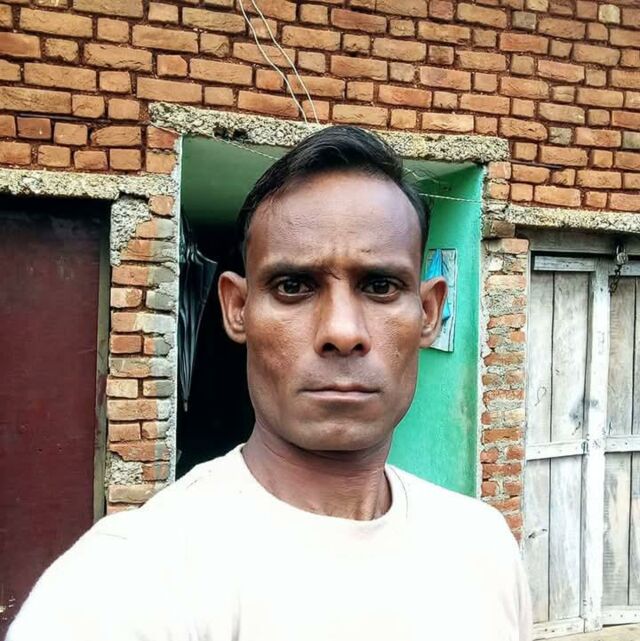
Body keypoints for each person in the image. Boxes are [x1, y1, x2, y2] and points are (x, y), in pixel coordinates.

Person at [7, 126, 532, 641]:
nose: (342, 332)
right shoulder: (127, 583)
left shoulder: (482, 547)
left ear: (429, 313)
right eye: (294, 286)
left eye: (379, 285)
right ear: (238, 309)